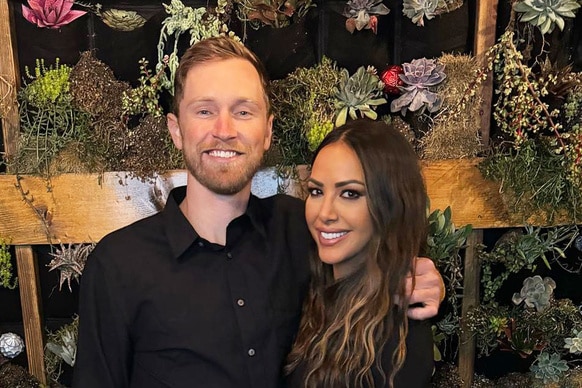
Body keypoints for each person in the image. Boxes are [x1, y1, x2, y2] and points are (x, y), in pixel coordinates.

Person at [73, 36, 442, 388]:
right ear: (176, 130)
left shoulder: (303, 229)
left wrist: (417, 276)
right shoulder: (118, 265)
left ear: (267, 132)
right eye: (204, 110)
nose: (224, 130)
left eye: (243, 111)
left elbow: (375, 263)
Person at [285, 120, 433, 388]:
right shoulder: (312, 288)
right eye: (316, 191)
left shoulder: (399, 333)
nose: (325, 213)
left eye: (350, 193)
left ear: (389, 205)